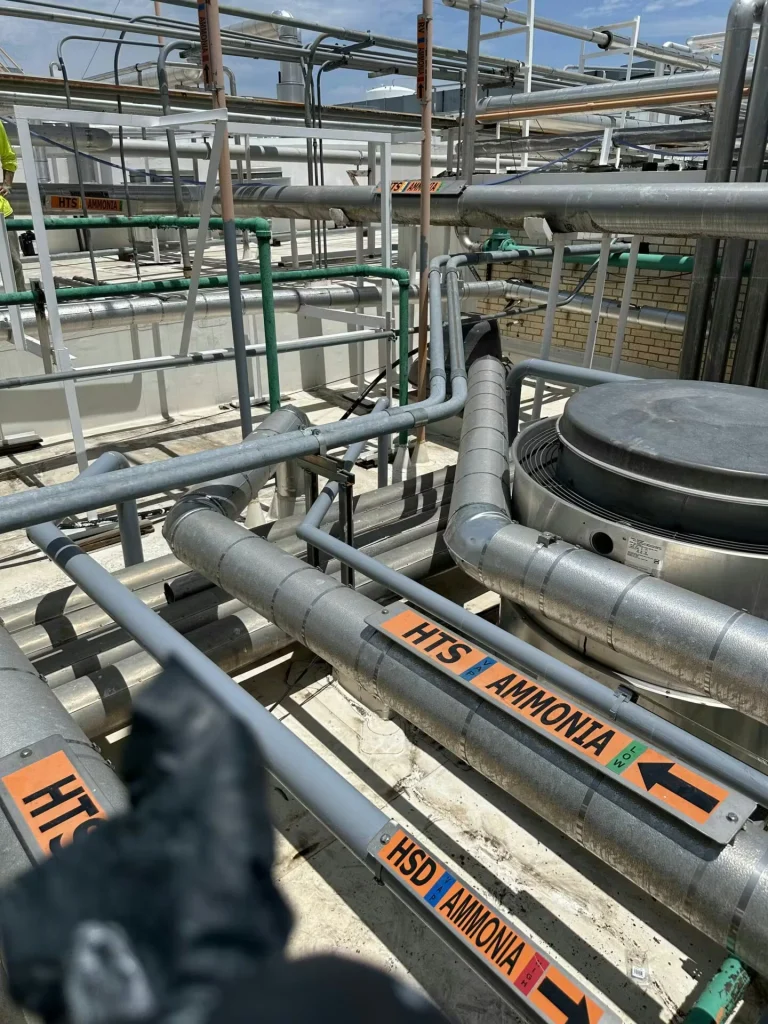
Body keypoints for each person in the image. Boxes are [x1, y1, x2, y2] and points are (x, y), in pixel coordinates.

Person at [0, 120, 23, 291]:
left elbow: (9, 157)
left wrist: (7, 184)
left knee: (13, 264)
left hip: (2, 212)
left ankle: (22, 304)